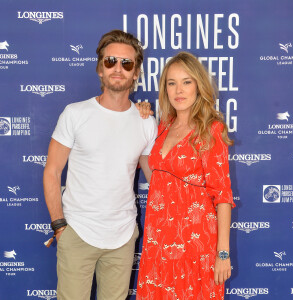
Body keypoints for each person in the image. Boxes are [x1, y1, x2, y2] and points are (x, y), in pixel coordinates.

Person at [43, 29, 157, 300]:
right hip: (77, 233)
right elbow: (52, 171)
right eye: (110, 61)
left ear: (136, 72)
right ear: (100, 69)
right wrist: (59, 226)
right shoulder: (75, 114)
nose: (118, 68)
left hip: (122, 236)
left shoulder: (146, 121)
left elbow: (155, 177)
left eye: (126, 63)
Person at [136, 52, 235, 300]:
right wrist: (138, 119)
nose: (179, 90)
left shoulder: (211, 129)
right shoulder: (163, 126)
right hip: (158, 239)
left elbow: (222, 195)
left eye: (186, 82)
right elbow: (157, 177)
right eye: (172, 83)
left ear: (198, 86)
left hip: (195, 242)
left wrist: (222, 253)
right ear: (165, 89)